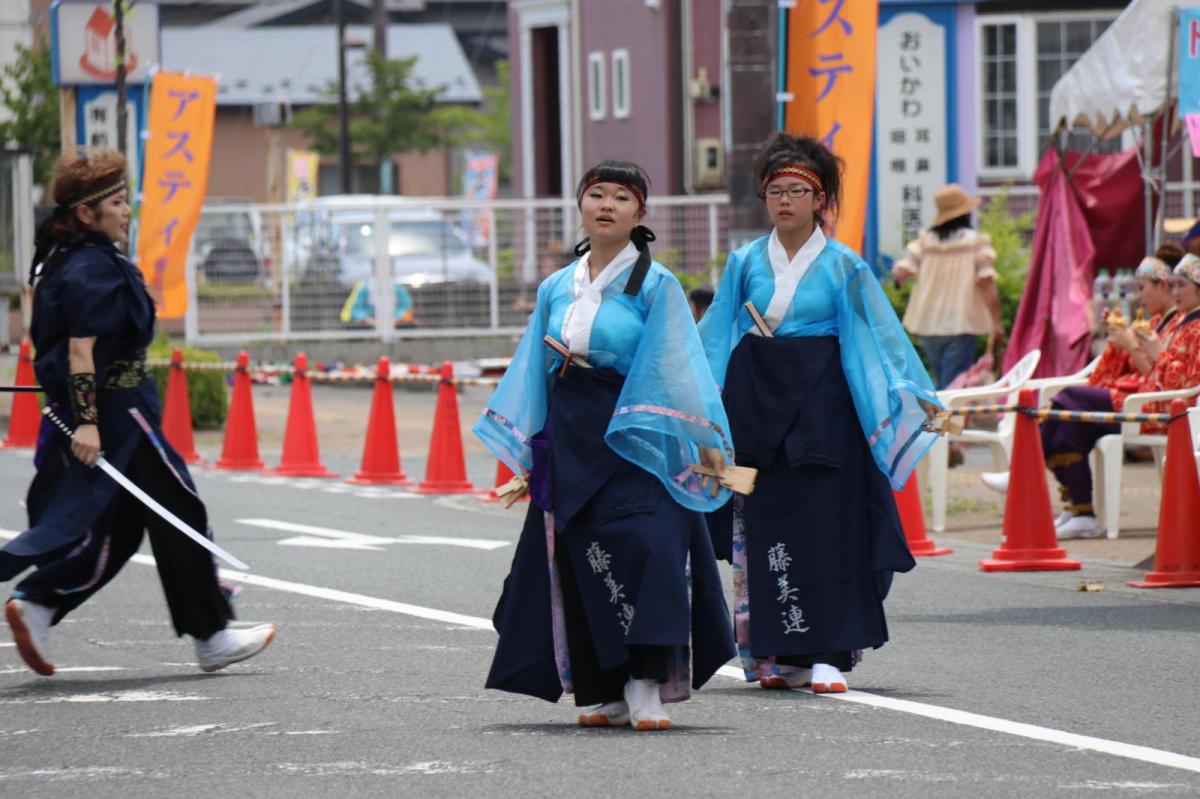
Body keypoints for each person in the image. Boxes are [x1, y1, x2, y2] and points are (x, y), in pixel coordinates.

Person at [474, 160, 735, 730]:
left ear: (640, 214)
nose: (607, 205)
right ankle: (604, 686)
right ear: (581, 205)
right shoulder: (555, 287)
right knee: (582, 556)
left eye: (622, 197)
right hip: (572, 431)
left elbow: (679, 367)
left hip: (640, 431)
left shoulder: (655, 283)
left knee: (651, 549)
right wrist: (529, 452)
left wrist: (704, 442)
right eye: (597, 194)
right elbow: (533, 368)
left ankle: (646, 684)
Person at [1, 149, 275, 677]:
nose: (128, 211)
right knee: (181, 509)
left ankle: (38, 604)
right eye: (119, 203)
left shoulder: (74, 260)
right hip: (120, 412)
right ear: (86, 213)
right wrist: (87, 421)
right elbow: (81, 352)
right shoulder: (88, 268)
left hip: (113, 411)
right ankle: (211, 634)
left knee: (117, 532)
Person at [698, 133, 941, 694]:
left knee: (829, 527)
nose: (785, 201)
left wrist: (913, 391)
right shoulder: (743, 262)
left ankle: (830, 653)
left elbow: (879, 337)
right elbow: (713, 338)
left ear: (820, 199)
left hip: (825, 406)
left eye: (798, 190)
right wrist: (696, 406)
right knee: (760, 529)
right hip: (755, 404)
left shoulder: (843, 264)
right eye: (775, 190)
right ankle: (774, 654)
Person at [982, 252, 1200, 539]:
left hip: (1157, 408)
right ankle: (1081, 512)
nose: (1175, 292)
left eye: (1180, 285)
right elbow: (1136, 371)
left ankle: (1023, 471)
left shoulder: (1192, 327)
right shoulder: (1175, 325)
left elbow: (1182, 382)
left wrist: (1138, 349)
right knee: (1066, 430)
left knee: (1070, 397)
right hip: (1143, 398)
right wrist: (1122, 342)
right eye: (1173, 284)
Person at [893, 184, 1005, 390]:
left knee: (940, 379)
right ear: (965, 212)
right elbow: (986, 283)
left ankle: (938, 420)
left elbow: (900, 272)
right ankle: (945, 422)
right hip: (960, 323)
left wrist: (898, 282)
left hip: (927, 323)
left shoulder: (926, 240)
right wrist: (996, 321)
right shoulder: (975, 243)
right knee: (953, 385)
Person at [340, 278, 415, 327]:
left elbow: (406, 306)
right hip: (370, 321)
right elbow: (356, 309)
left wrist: (396, 318)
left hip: (395, 320)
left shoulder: (397, 287)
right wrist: (367, 319)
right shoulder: (365, 287)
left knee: (409, 326)